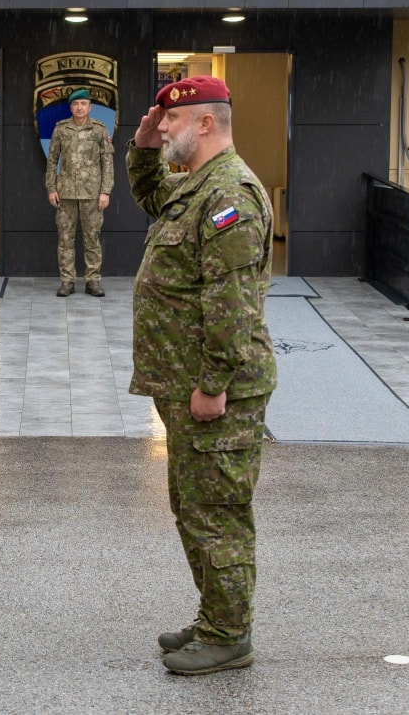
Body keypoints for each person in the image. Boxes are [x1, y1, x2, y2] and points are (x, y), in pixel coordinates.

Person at [126, 75, 277, 675]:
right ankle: (216, 613)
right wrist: (140, 145)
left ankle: (228, 633)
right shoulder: (196, 188)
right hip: (185, 384)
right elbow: (149, 194)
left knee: (217, 508)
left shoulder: (228, 196)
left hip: (216, 389)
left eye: (171, 122)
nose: (164, 129)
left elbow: (231, 301)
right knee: (193, 504)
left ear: (206, 124)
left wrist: (213, 384)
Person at [45, 87, 114, 297]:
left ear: (90, 107)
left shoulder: (100, 130)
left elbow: (107, 162)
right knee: (65, 239)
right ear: (71, 107)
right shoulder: (61, 129)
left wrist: (106, 191)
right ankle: (67, 281)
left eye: (83, 104)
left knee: (92, 238)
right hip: (65, 193)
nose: (79, 107)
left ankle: (93, 280)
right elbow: (52, 160)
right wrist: (51, 188)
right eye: (75, 104)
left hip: (92, 194)